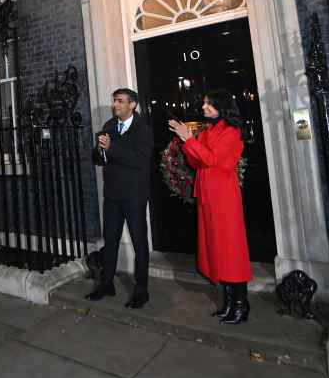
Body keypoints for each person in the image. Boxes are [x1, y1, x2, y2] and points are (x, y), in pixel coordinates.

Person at [169, 90, 252, 325]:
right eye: (204, 103)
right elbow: (196, 161)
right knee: (216, 247)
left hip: (224, 197)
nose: (204, 107)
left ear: (221, 106)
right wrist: (186, 140)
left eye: (209, 104)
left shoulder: (232, 132)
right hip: (208, 194)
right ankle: (228, 302)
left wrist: (190, 139)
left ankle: (240, 304)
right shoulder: (210, 130)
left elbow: (214, 160)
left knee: (230, 249)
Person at [88, 88, 154, 309]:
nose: (115, 105)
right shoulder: (109, 126)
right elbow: (97, 159)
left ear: (132, 104)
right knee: (111, 240)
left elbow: (140, 161)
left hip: (134, 196)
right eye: (114, 101)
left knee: (139, 243)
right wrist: (99, 150)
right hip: (113, 196)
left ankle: (141, 289)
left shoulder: (142, 129)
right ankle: (106, 283)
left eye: (119, 101)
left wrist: (112, 148)